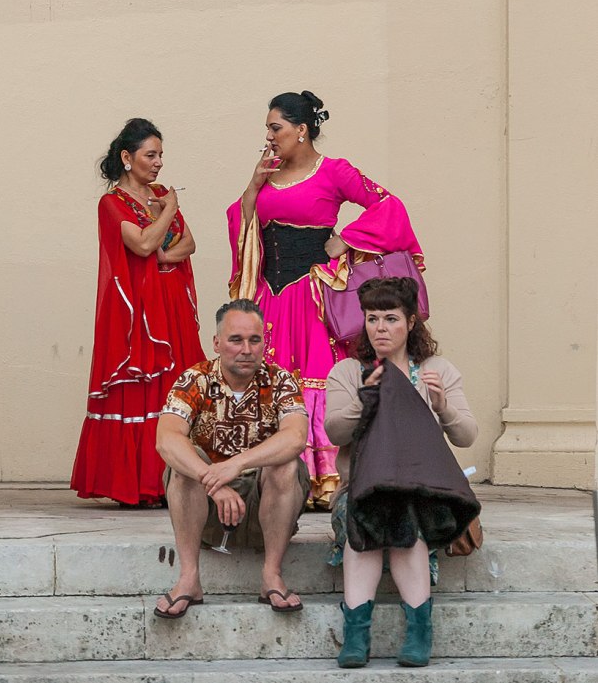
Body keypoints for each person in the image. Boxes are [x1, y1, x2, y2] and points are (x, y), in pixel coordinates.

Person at [227, 90, 423, 508]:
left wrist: (347, 239)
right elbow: (243, 222)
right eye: (267, 128)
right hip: (268, 295)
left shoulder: (334, 171)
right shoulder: (267, 173)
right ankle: (268, 476)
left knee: (315, 377)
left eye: (275, 127)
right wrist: (254, 184)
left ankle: (322, 480)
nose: (269, 136)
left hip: (311, 296)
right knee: (268, 376)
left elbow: (389, 206)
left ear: (301, 129)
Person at [325, 277, 478, 669]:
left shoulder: (435, 370)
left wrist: (442, 405)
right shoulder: (348, 372)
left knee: (404, 513)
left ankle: (418, 633)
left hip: (426, 492)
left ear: (411, 322)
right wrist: (365, 399)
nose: (380, 328)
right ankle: (357, 635)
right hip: (361, 490)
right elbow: (335, 432)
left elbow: (466, 435)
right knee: (366, 513)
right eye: (372, 318)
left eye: (391, 318)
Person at [71, 117, 204, 508]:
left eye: (161, 154)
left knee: (174, 387)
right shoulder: (112, 204)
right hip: (138, 314)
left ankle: (174, 481)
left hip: (171, 304)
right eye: (151, 155)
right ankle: (139, 485)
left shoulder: (158, 194)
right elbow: (143, 244)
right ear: (127, 158)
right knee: (141, 388)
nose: (159, 162)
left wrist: (163, 253)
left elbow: (188, 244)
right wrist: (170, 212)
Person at [154, 298, 310, 619]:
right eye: (235, 340)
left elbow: (296, 436)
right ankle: (189, 579)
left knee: (285, 463)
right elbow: (166, 439)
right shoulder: (195, 379)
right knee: (183, 464)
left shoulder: (281, 380)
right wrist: (212, 480)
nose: (246, 349)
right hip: (208, 514)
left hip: (265, 510)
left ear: (264, 342)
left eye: (254, 340)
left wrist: (235, 465)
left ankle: (271, 575)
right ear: (217, 343)